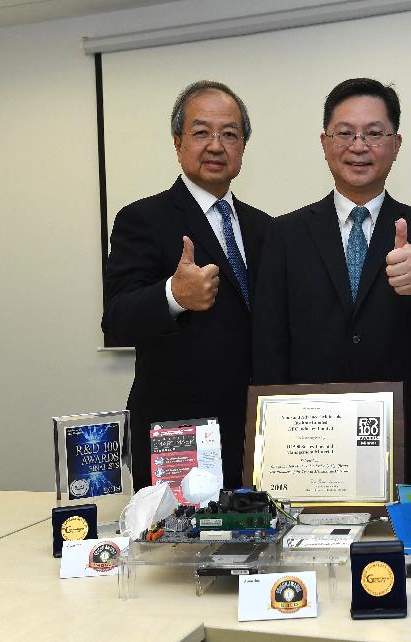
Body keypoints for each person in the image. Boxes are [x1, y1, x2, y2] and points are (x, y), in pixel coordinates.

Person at [252, 78, 411, 485]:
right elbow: (269, 343)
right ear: (324, 142)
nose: (358, 146)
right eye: (345, 133)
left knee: (405, 549)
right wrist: (272, 437)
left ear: (396, 144)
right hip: (309, 440)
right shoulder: (285, 234)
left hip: (404, 433)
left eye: (374, 133)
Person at [102, 80, 271, 490]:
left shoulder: (266, 228)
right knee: (176, 553)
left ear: (243, 147)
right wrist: (173, 296)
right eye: (201, 133)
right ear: (177, 142)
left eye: (230, 134)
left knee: (260, 551)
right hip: (179, 434)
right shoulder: (142, 219)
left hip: (256, 434)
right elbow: (117, 320)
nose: (216, 145)